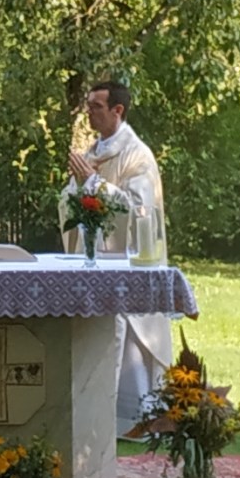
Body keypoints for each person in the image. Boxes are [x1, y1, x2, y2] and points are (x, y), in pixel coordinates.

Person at [58, 80, 172, 439]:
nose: (89, 112)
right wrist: (77, 186)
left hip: (126, 265)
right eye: (88, 105)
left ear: (117, 110)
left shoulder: (138, 156)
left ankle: (134, 420)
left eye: (96, 106)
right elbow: (70, 203)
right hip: (94, 264)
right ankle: (94, 413)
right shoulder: (93, 152)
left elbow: (141, 211)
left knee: (128, 343)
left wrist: (93, 183)